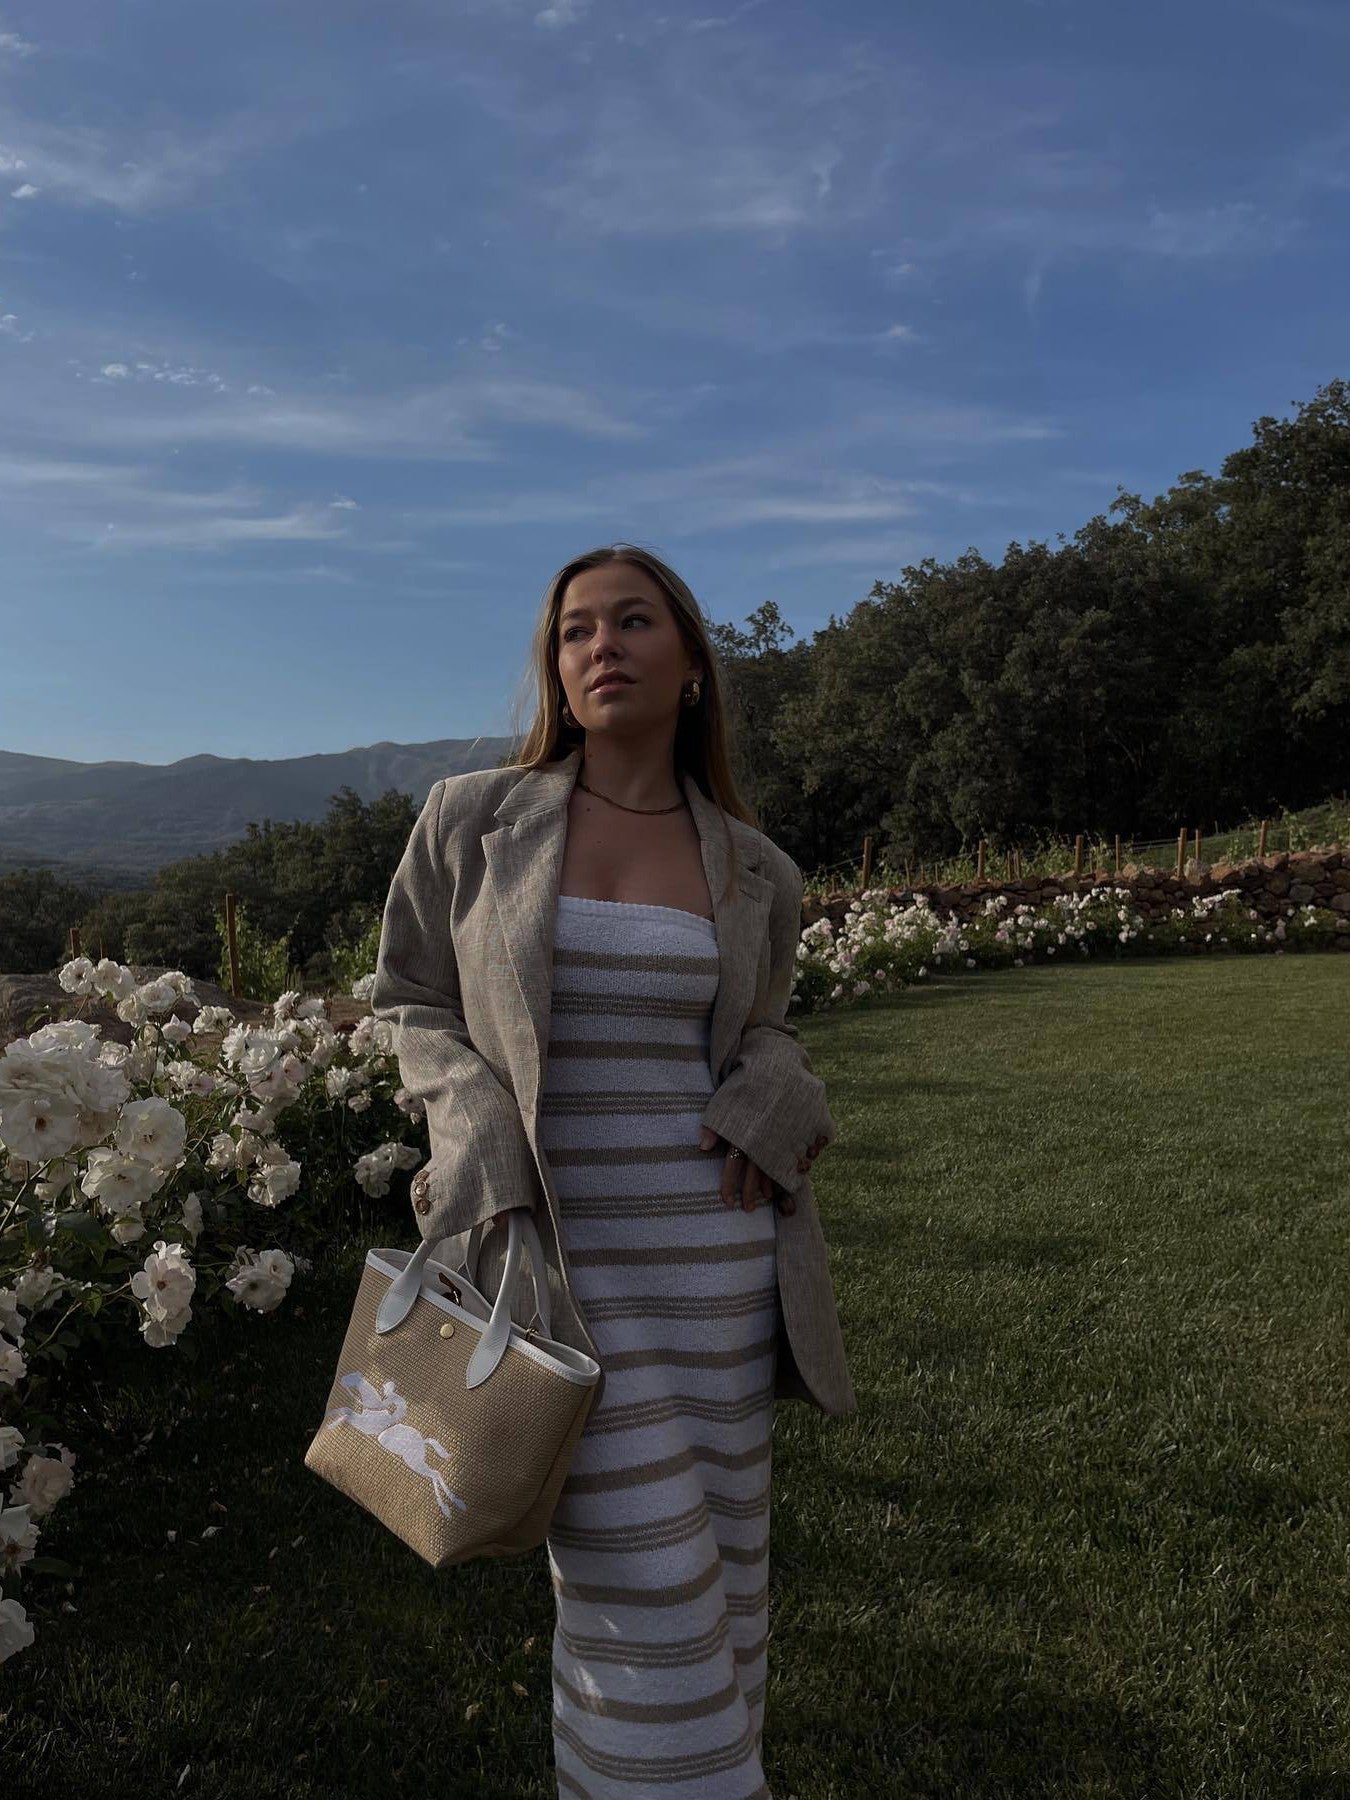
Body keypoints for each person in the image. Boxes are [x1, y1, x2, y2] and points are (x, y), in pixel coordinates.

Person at [370, 542, 856, 1799]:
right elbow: (409, 999)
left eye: (633, 621)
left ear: (691, 664)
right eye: (575, 630)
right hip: (553, 1262)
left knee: (722, 1563)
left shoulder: (757, 869)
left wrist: (780, 1090)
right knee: (631, 1576)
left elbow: (767, 1030)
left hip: (719, 1268)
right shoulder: (473, 820)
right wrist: (472, 1128)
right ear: (556, 669)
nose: (601, 646)